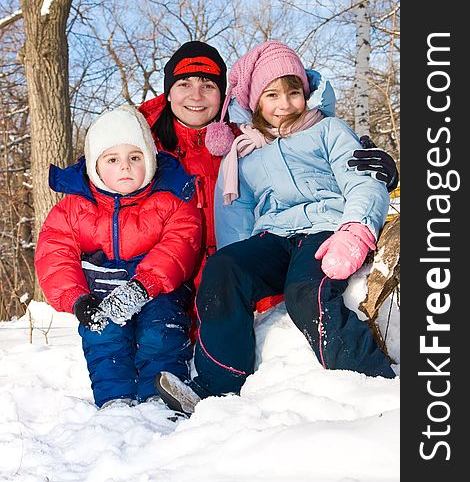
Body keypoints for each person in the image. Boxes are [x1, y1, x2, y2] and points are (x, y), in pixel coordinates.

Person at [153, 40, 396, 416]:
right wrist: (243, 273)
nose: (285, 105)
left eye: (293, 92)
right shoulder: (245, 153)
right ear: (255, 102)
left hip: (324, 231)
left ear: (306, 92)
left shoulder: (328, 130)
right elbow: (236, 219)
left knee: (306, 292)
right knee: (225, 267)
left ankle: (372, 379)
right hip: (274, 238)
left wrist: (354, 230)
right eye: (272, 95)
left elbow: (361, 180)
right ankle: (218, 385)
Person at [34, 106, 201, 409]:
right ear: (95, 166)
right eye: (112, 159)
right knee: (104, 338)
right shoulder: (73, 207)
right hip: (101, 289)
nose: (125, 167)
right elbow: (54, 253)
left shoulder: (171, 197)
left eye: (134, 158)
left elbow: (181, 243)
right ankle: (115, 400)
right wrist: (77, 298)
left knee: (160, 332)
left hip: (156, 289)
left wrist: (144, 286)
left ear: (149, 160)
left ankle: (161, 394)